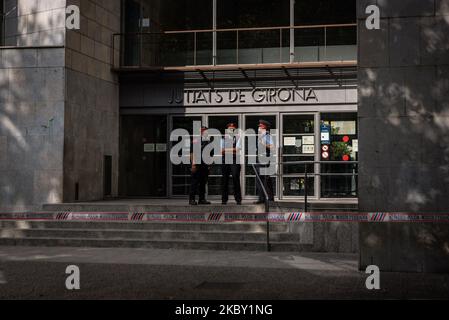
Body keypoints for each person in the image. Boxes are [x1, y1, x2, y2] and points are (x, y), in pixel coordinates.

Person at [221, 123, 242, 205]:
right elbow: (221, 151)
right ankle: (224, 199)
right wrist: (232, 149)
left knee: (236, 179)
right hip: (225, 160)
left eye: (233, 129)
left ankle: (238, 199)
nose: (231, 130)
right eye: (230, 129)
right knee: (224, 180)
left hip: (234, 160)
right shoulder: (223, 138)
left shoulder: (238, 138)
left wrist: (226, 149)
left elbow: (237, 150)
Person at [189, 126, 211, 205]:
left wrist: (208, 164)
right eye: (205, 131)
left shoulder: (207, 141)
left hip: (204, 165)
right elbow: (192, 153)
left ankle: (202, 199)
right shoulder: (196, 140)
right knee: (194, 182)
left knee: (203, 182)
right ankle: (192, 199)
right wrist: (193, 164)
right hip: (197, 164)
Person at [254, 120, 275, 204]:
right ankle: (261, 198)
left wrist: (264, 145)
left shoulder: (267, 136)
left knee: (266, 179)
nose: (259, 127)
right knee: (259, 180)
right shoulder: (260, 136)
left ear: (265, 127)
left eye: (261, 126)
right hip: (259, 159)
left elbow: (273, 147)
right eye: (259, 126)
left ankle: (269, 198)